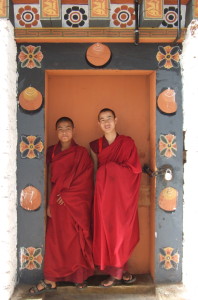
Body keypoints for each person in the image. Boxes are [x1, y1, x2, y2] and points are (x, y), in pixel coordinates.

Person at [29, 117, 94, 294]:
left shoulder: (81, 153)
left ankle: (78, 277)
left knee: (75, 240)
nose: (64, 132)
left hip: (75, 205)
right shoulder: (51, 152)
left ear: (73, 130)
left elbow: (86, 180)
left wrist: (67, 195)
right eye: (60, 129)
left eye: (67, 128)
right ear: (56, 131)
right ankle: (52, 279)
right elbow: (49, 180)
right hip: (56, 204)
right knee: (55, 242)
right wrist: (50, 203)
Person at [90, 108, 142, 287]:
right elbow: (96, 172)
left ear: (116, 120)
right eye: (102, 119)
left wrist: (110, 168)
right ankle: (118, 271)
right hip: (104, 196)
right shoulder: (95, 146)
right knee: (107, 233)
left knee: (122, 233)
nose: (106, 122)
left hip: (122, 197)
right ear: (98, 123)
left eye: (109, 118)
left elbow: (134, 171)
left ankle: (118, 271)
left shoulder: (127, 143)